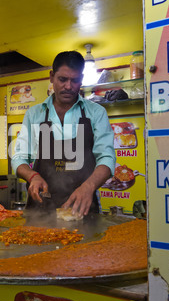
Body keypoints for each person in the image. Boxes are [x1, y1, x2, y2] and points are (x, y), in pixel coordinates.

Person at [11, 51, 116, 217]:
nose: (68, 86)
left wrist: (88, 187)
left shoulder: (96, 112)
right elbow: (19, 158)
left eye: (74, 80)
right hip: (40, 211)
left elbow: (107, 158)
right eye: (62, 79)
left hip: (82, 209)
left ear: (81, 79)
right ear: (52, 76)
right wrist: (32, 176)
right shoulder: (34, 114)